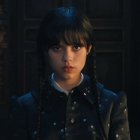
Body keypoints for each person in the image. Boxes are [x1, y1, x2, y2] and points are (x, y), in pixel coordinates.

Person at [8, 7, 131, 140]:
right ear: (46, 51)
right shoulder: (26, 106)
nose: (67, 58)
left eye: (76, 47)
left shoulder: (111, 104)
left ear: (88, 49)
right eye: (57, 48)